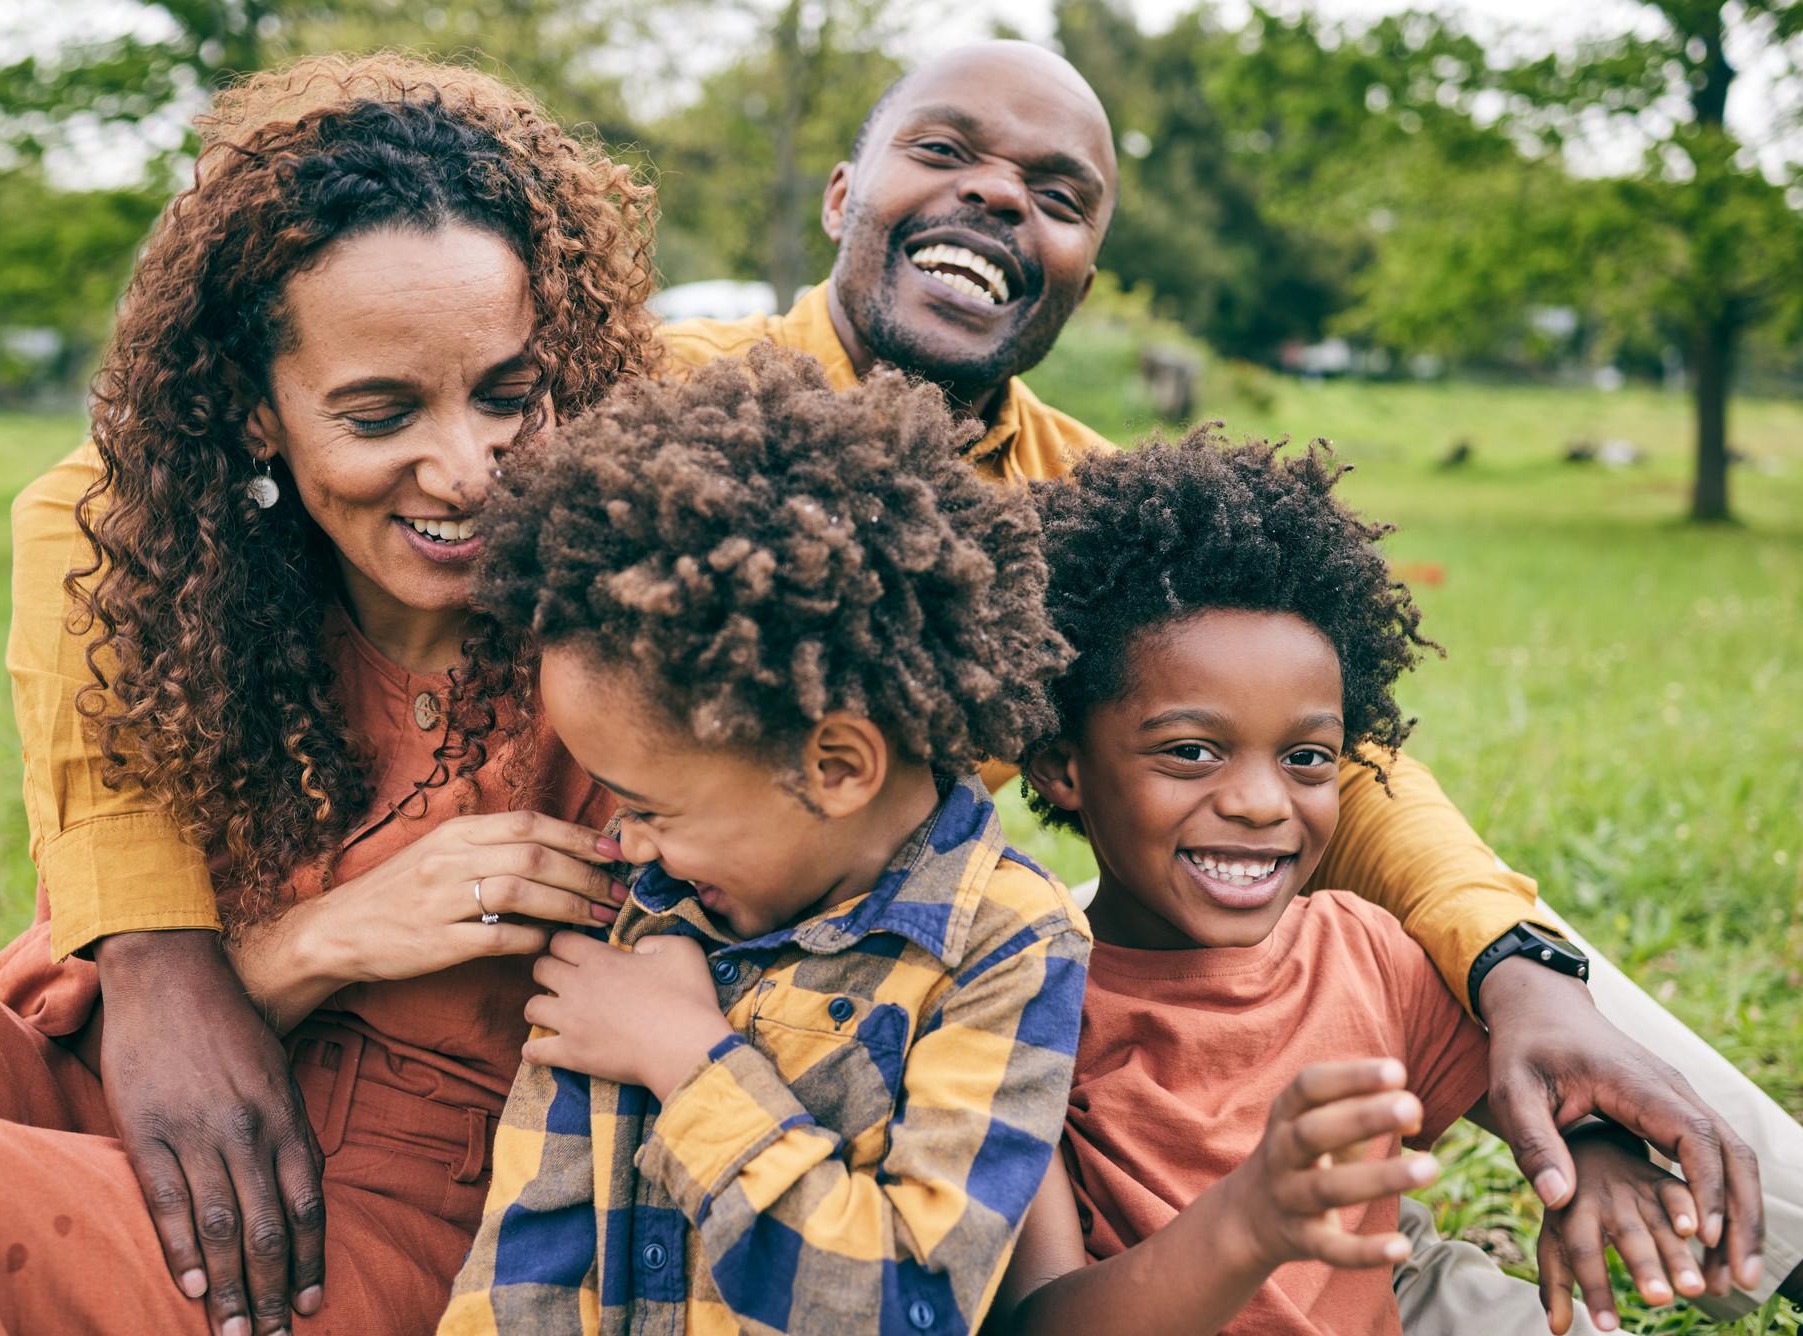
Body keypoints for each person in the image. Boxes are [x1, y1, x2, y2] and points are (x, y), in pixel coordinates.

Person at [660, 39, 1797, 1319]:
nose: (995, 196)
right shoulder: (677, 404)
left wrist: (1521, 969)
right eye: (944, 150)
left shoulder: (1077, 502)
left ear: (1085, 269)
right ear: (840, 192)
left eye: (1059, 193)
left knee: (1433, 939)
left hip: (1014, 907)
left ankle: (1749, 1209)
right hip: (755, 953)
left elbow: (1332, 769)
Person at [0, 53, 659, 1334]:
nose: (465, 468)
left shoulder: (628, 643)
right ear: (257, 415)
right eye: (378, 413)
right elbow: (83, 500)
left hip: (355, 1229)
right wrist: (310, 945)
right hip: (101, 1095)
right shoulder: (201, 605)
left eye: (510, 394)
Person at [438, 348, 1090, 1333]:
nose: (630, 846)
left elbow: (902, 1303)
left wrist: (689, 1061)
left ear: (834, 767)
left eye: (653, 809)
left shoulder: (1005, 948)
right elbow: (526, 1259)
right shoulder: (650, 922)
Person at [988, 434, 1697, 1336]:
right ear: (1060, 766)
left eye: (1306, 758)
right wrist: (1245, 1224)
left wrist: (1589, 1151)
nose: (1258, 803)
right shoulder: (1025, 1001)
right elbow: (1039, 1323)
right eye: (1191, 751)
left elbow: (1534, 1094)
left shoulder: (1360, 949)